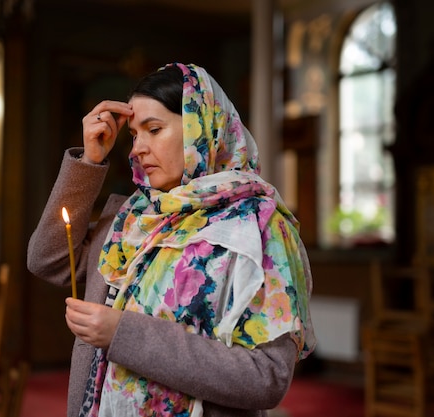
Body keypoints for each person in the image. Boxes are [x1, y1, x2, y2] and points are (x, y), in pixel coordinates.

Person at [27, 62, 316, 417]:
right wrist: (90, 160)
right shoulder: (134, 216)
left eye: (154, 129)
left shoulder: (257, 226)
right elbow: (47, 260)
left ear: (201, 128)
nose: (136, 149)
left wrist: (124, 334)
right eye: (134, 134)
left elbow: (266, 377)